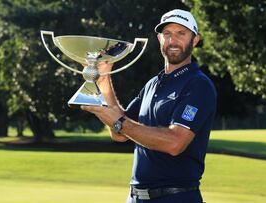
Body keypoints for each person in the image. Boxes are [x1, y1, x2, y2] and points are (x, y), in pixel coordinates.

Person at [81, 9, 217, 203]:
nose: (173, 40)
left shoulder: (198, 85)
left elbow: (175, 143)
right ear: (160, 38)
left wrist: (119, 122)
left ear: (194, 40)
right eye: (167, 34)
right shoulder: (153, 84)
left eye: (181, 33)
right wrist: (103, 81)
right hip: (136, 197)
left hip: (177, 197)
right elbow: (119, 133)